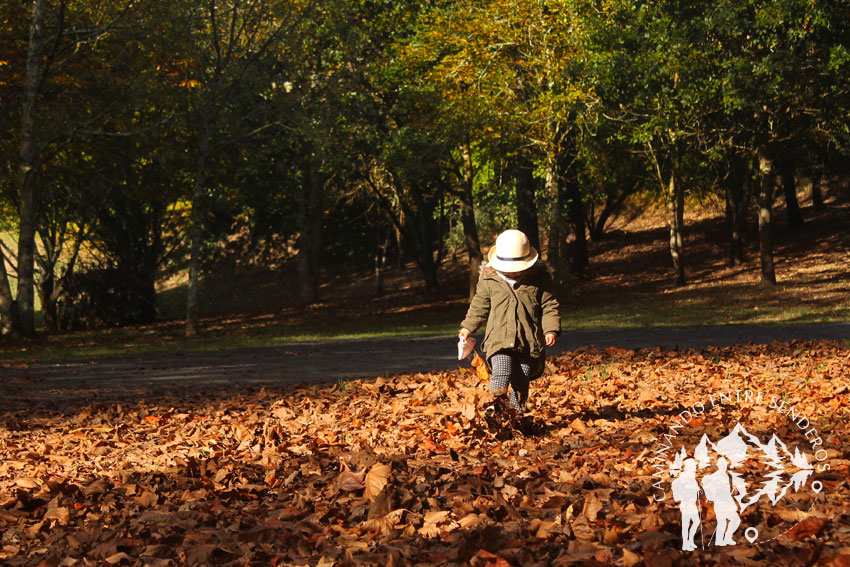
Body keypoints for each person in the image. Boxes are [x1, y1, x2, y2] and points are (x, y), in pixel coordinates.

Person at [459, 229, 560, 415]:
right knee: (502, 369)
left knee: (522, 375)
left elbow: (549, 305)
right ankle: (495, 407)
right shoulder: (489, 278)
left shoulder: (540, 279)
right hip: (498, 339)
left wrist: (550, 329)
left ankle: (516, 412)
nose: (512, 272)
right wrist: (468, 326)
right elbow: (479, 305)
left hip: (528, 340)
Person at [701, 457, 741, 546]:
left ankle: (724, 539)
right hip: (720, 501)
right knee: (729, 520)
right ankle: (723, 539)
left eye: (725, 464)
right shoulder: (715, 477)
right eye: (722, 464)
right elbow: (708, 486)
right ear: (719, 465)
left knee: (729, 521)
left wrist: (733, 492)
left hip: (725, 500)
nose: (724, 466)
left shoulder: (725, 476)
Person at [671, 459, 701, 551]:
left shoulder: (692, 479)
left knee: (696, 522)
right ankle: (685, 544)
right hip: (686, 504)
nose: (695, 469)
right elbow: (676, 495)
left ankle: (690, 541)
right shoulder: (680, 480)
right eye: (693, 467)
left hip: (692, 503)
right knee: (686, 524)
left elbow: (697, 490)